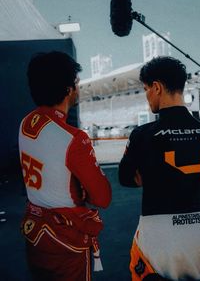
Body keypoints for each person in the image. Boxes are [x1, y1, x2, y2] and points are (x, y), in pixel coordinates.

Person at [119, 56, 200, 281]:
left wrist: (149, 174)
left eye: (146, 89)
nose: (147, 96)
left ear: (157, 87)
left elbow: (125, 178)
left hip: (158, 234)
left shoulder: (142, 134)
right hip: (199, 231)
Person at [19, 51, 112, 281]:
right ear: (69, 90)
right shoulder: (73, 138)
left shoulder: (25, 123)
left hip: (35, 233)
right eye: (77, 83)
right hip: (65, 243)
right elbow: (103, 197)